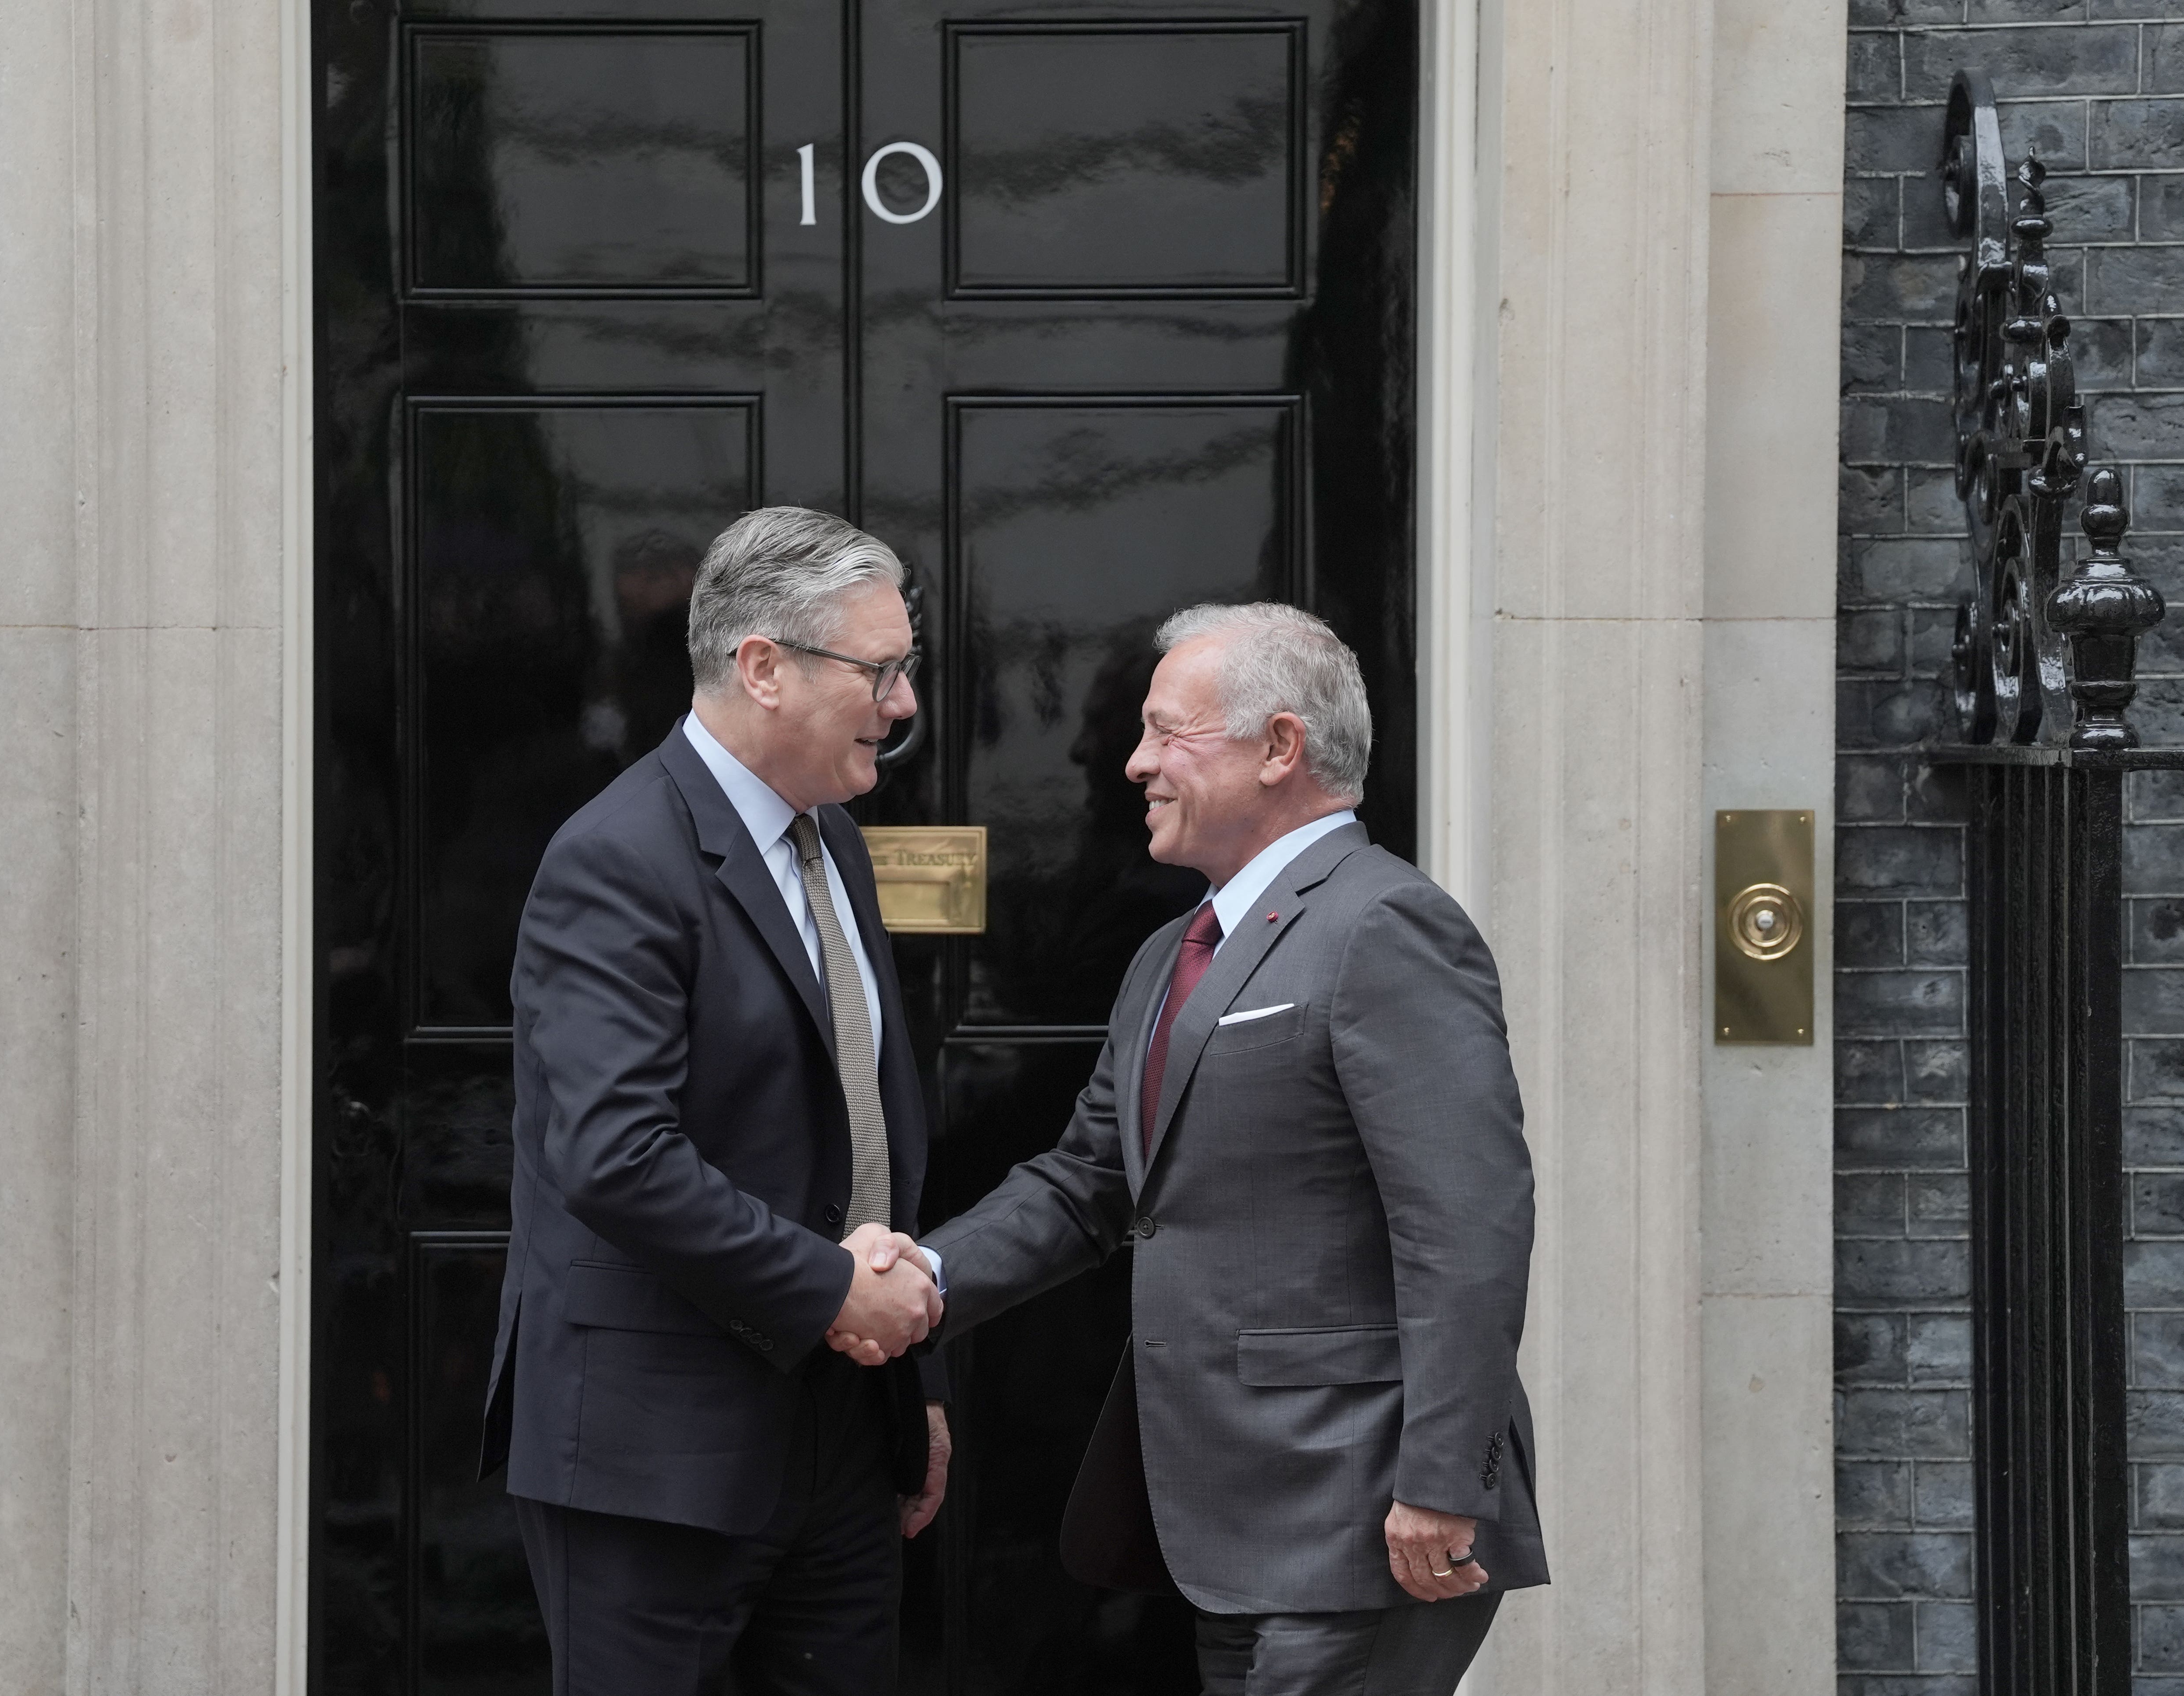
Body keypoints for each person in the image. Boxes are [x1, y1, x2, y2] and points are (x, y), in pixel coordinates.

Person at [841, 602, 1547, 1694]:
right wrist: (925, 1275)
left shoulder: (1385, 925)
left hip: (1362, 1507)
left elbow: (1468, 1224)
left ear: (1280, 746)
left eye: (1169, 732)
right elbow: (1085, 1183)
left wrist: (1447, 1481)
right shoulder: (1174, 951)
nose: (1135, 764)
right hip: (1224, 1521)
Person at [482, 507, 951, 1695]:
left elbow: (865, 1130)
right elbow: (616, 1155)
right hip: (655, 1458)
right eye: (879, 670)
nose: (903, 703)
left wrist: (916, 1383)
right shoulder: (617, 857)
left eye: (905, 669)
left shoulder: (837, 844)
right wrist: (833, 1288)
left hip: (846, 1435)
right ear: (762, 668)